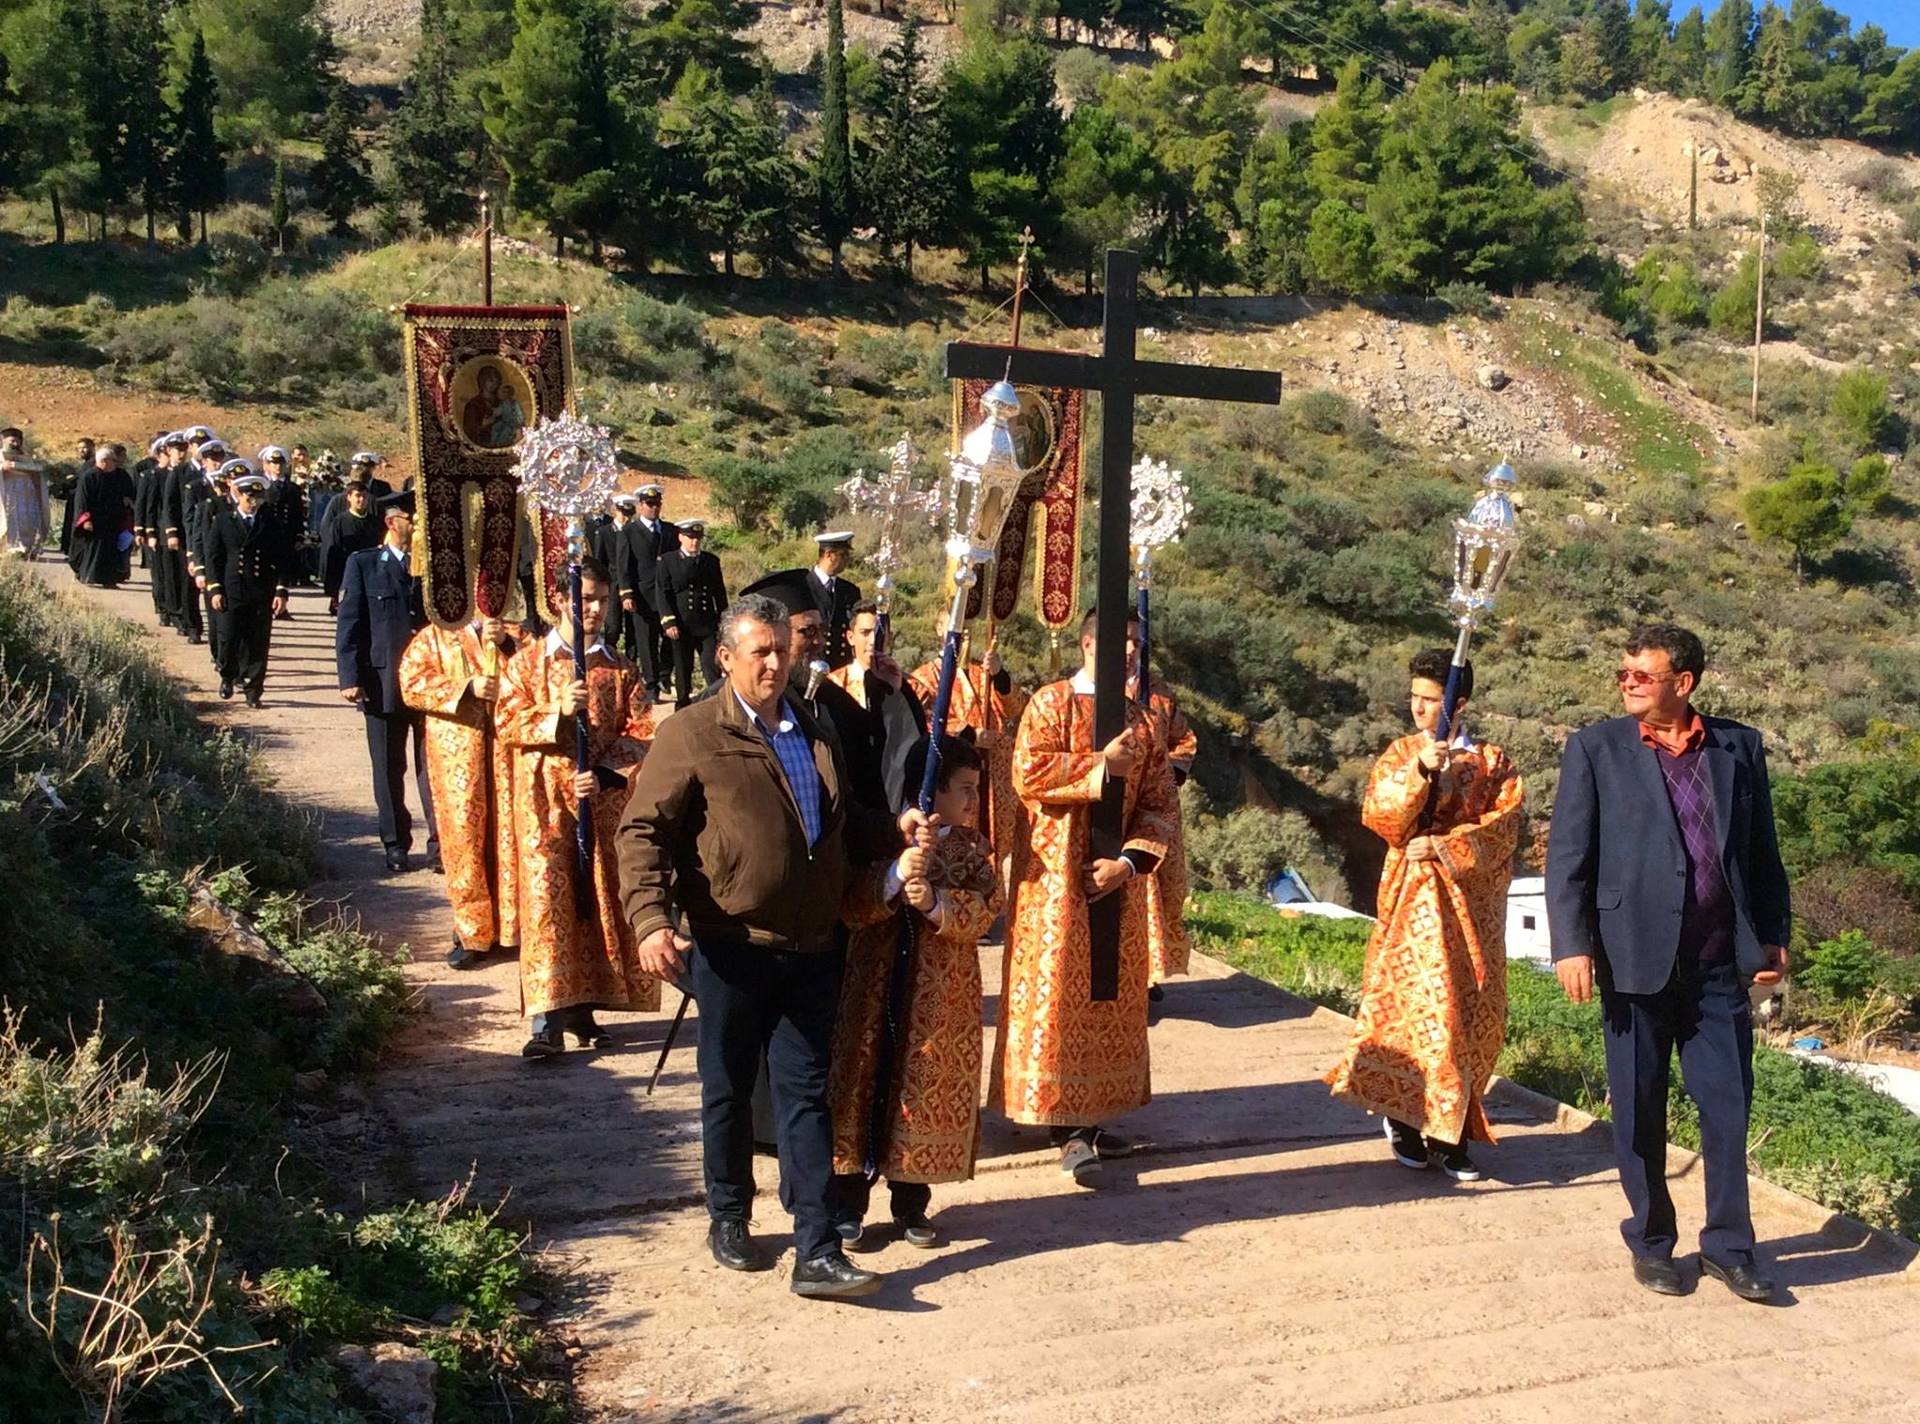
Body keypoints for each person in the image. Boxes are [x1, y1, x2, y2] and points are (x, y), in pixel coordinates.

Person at [619, 594, 925, 1300]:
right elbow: (641, 832)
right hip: (731, 943)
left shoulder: (813, 726)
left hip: (813, 945)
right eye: (760, 651)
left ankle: (815, 1249)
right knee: (727, 1087)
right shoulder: (694, 732)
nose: (775, 662)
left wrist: (895, 828)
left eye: (783, 649)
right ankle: (730, 1215)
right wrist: (650, 919)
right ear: (726, 657)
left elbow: (841, 826)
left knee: (805, 1094)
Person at [1546, 624, 1791, 1303]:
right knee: (1639, 1110)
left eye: (1641, 675)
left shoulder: (1739, 746)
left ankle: (1729, 1249)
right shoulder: (1595, 748)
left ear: (1682, 684)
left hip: (1718, 966)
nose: (1627, 683)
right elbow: (1568, 857)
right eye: (1623, 673)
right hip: (1632, 962)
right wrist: (1571, 944)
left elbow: (1762, 853)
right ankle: (1652, 1244)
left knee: (1728, 1111)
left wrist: (1772, 937)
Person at [1324, 651, 1526, 1183]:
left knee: (1467, 1010)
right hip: (1412, 899)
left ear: (1457, 703)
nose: (1418, 706)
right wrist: (1419, 773)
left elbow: (1502, 830)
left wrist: (1444, 844)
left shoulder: (1494, 762)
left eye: (1431, 698)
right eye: (1414, 695)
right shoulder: (1401, 753)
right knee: (1415, 1005)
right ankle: (1404, 1117)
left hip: (1470, 907)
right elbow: (1379, 813)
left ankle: (1454, 1129)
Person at [1001, 605, 1179, 1185]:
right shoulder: (1050, 702)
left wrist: (1128, 864)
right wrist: (1100, 765)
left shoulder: (1142, 720)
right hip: (1053, 886)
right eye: (1116, 641)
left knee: (1108, 1000)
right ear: (1086, 644)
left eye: (1135, 642)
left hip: (1113, 886)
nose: (1128, 651)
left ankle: (1096, 1115)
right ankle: (1065, 1124)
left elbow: (1159, 805)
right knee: (1060, 998)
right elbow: (1027, 772)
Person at [829, 736, 1000, 1250]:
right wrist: (893, 881)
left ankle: (911, 1204)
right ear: (931, 793)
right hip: (874, 987)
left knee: (919, 1091)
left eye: (976, 791)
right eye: (964, 790)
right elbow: (852, 903)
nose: (973, 802)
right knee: (864, 1083)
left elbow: (988, 909)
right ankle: (847, 1202)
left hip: (939, 998)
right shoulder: (886, 840)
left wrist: (937, 905)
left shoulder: (973, 848)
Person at [498, 557, 657, 1056]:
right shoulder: (528, 663)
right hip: (542, 801)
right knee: (547, 902)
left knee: (594, 902)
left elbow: (643, 730)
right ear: (561, 600)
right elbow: (506, 720)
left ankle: (583, 1006)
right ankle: (544, 1017)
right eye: (585, 598)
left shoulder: (619, 667)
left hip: (597, 799)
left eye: (603, 600)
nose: (595, 609)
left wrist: (607, 773)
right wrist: (556, 712)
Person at [400, 615, 523, 971]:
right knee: (464, 838)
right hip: (458, 754)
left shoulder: (515, 634)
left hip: (505, 752)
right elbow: (411, 683)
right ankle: (472, 931)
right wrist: (466, 687)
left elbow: (538, 675)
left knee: (509, 835)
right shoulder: (434, 636)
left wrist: (505, 647)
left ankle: (512, 927)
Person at [335, 491, 438, 873]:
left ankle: (440, 843)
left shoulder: (429, 570)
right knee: (388, 767)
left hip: (429, 685)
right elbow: (350, 624)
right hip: (382, 683)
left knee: (433, 767)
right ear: (393, 521)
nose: (419, 526)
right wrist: (350, 677)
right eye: (412, 518)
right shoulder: (364, 565)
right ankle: (395, 843)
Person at [907, 608, 1027, 887]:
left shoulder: (981, 674)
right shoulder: (925, 676)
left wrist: (998, 674)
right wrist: (970, 734)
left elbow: (1013, 707)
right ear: (939, 628)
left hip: (990, 774)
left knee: (992, 840)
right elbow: (925, 719)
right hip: (954, 771)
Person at [1130, 661, 1197, 996]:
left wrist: (1170, 776)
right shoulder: (1089, 692)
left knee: (1156, 887)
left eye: (1136, 641)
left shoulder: (1160, 694)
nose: (1129, 649)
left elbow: (1184, 740)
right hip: (1117, 807)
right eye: (1124, 640)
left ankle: (1149, 972)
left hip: (1156, 808)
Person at [204, 466, 291, 707]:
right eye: (248, 497)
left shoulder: (270, 523)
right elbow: (214, 557)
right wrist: (215, 588)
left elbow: (282, 558)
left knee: (258, 641)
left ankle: (254, 689)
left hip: (260, 588)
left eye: (258, 497)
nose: (253, 502)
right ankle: (227, 675)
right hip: (232, 589)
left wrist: (281, 590)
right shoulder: (223, 521)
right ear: (238, 496)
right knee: (229, 637)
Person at [655, 518, 727, 708]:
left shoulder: (711, 561)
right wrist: (668, 621)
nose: (694, 542)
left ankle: (716, 704)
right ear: (680, 537)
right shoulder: (667, 561)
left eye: (697, 538)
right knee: (683, 668)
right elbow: (663, 593)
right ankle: (682, 706)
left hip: (706, 624)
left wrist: (725, 621)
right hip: (681, 624)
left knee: (712, 667)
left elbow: (719, 593)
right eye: (690, 538)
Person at [617, 483, 676, 702]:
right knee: (646, 641)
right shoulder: (629, 532)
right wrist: (626, 593)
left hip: (667, 594)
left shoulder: (670, 530)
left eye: (657, 504)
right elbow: (623, 565)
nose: (654, 508)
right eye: (650, 504)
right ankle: (652, 686)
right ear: (640, 505)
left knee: (671, 637)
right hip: (643, 594)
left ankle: (664, 674)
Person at [66, 442, 134, 588]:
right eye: (113, 461)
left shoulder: (117, 476)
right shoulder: (89, 477)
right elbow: (82, 501)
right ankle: (89, 576)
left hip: (112, 521)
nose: (116, 464)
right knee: (93, 550)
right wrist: (86, 520)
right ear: (104, 461)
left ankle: (109, 580)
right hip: (95, 522)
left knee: (111, 551)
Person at [258, 446, 305, 620]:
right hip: (265, 535)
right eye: (273, 463)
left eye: (280, 463)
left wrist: (299, 535)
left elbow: (297, 513)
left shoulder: (292, 488)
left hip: (285, 535)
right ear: (266, 464)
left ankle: (281, 605)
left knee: (283, 570)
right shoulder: (260, 485)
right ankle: (266, 604)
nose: (277, 467)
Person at [321, 477, 380, 613]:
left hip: (369, 577)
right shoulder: (340, 522)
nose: (361, 500)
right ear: (349, 497)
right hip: (346, 576)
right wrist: (333, 589)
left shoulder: (374, 522)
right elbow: (333, 553)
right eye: (357, 496)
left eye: (364, 496)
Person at [593, 492, 639, 656]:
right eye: (623, 513)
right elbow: (599, 562)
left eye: (630, 514)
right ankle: (609, 657)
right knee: (613, 626)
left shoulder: (635, 532)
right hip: (612, 585)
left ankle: (631, 662)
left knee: (633, 628)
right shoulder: (604, 533)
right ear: (615, 511)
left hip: (632, 585)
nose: (626, 517)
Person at [809, 531, 861, 668]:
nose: (847, 560)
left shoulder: (850, 591)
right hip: (812, 664)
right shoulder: (804, 586)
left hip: (840, 667)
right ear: (829, 555)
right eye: (843, 555)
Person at [0, 426, 51, 558]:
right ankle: (9, 549)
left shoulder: (26, 457)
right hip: (7, 494)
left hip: (27, 496)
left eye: (18, 441)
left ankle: (29, 548)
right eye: (12, 441)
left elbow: (37, 474)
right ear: (3, 440)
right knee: (9, 520)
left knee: (29, 521)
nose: (15, 444)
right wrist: (2, 467)